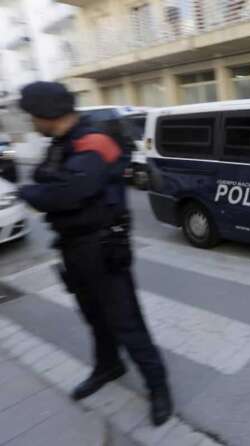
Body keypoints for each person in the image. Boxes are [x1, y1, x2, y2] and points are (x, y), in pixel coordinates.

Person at [17, 82, 173, 426]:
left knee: (127, 323)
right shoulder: (61, 144)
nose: (30, 122)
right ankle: (109, 366)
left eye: (32, 115)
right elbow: (50, 180)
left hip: (102, 248)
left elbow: (69, 193)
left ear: (47, 114)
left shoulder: (94, 140)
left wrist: (30, 190)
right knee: (94, 318)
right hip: (73, 248)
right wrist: (44, 187)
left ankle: (159, 387)